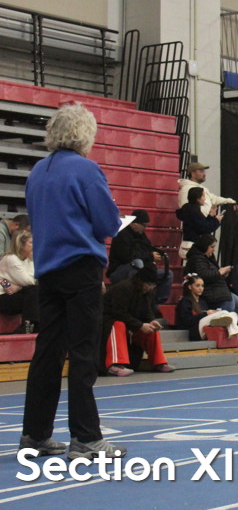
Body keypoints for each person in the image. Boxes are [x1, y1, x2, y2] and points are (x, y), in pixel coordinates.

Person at [19, 102, 126, 460]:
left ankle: (35, 434)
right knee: (83, 353)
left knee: (47, 353)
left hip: (47, 271)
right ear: (85, 134)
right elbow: (108, 223)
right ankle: (86, 436)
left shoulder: (38, 171)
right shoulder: (86, 169)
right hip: (80, 268)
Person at [101, 265, 175, 376]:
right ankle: (116, 365)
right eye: (149, 284)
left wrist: (151, 321)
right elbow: (118, 313)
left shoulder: (147, 291)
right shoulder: (123, 288)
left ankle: (159, 362)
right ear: (141, 281)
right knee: (118, 325)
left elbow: (148, 310)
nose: (151, 288)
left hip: (130, 322)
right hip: (108, 323)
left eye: (153, 285)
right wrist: (140, 325)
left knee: (151, 330)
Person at [175, 273, 238, 349]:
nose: (201, 288)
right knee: (224, 313)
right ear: (190, 287)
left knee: (233, 314)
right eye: (197, 286)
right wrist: (206, 313)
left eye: (202, 286)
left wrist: (212, 312)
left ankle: (227, 327)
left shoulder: (202, 301)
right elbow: (186, 321)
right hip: (194, 330)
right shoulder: (185, 301)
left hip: (205, 328)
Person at [108, 209, 173, 304]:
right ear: (135, 224)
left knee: (168, 274)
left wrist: (157, 254)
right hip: (119, 270)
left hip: (138, 269)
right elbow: (127, 257)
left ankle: (155, 304)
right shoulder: (121, 235)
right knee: (138, 264)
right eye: (144, 225)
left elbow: (148, 248)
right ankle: (135, 301)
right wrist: (150, 256)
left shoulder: (141, 235)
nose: (145, 228)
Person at [184, 234, 238, 313]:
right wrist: (220, 272)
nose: (214, 250)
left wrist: (222, 274)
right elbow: (204, 275)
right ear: (204, 246)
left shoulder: (206, 258)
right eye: (212, 247)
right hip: (209, 292)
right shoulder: (197, 259)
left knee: (237, 301)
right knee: (230, 302)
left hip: (215, 290)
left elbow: (212, 274)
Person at [0, 231, 39, 333]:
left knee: (36, 291)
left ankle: (32, 325)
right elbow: (29, 281)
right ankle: (29, 326)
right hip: (3, 296)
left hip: (16, 294)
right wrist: (21, 286)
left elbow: (35, 279)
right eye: (31, 243)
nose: (34, 245)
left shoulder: (27, 259)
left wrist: (18, 287)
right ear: (22, 245)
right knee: (33, 290)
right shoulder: (11, 259)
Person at [176, 187, 223, 261]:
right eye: (203, 196)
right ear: (198, 198)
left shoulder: (188, 209)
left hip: (186, 244)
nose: (205, 199)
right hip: (192, 246)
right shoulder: (194, 211)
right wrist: (216, 221)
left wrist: (210, 216)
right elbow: (204, 228)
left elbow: (201, 224)